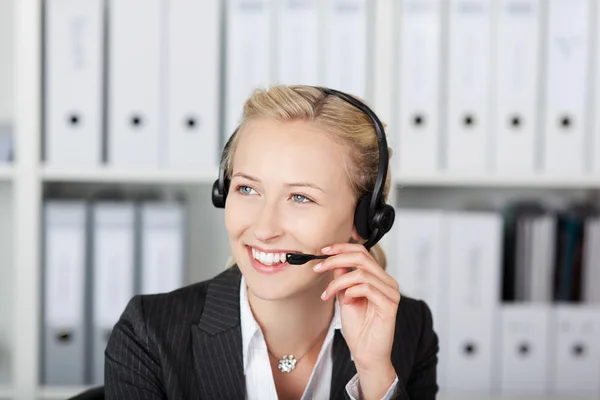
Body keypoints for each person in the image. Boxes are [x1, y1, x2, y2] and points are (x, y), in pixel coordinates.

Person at [104, 85, 439, 399]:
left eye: (300, 197)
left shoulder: (409, 329)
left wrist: (373, 373)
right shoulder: (149, 333)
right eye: (247, 189)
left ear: (365, 221)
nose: (264, 229)